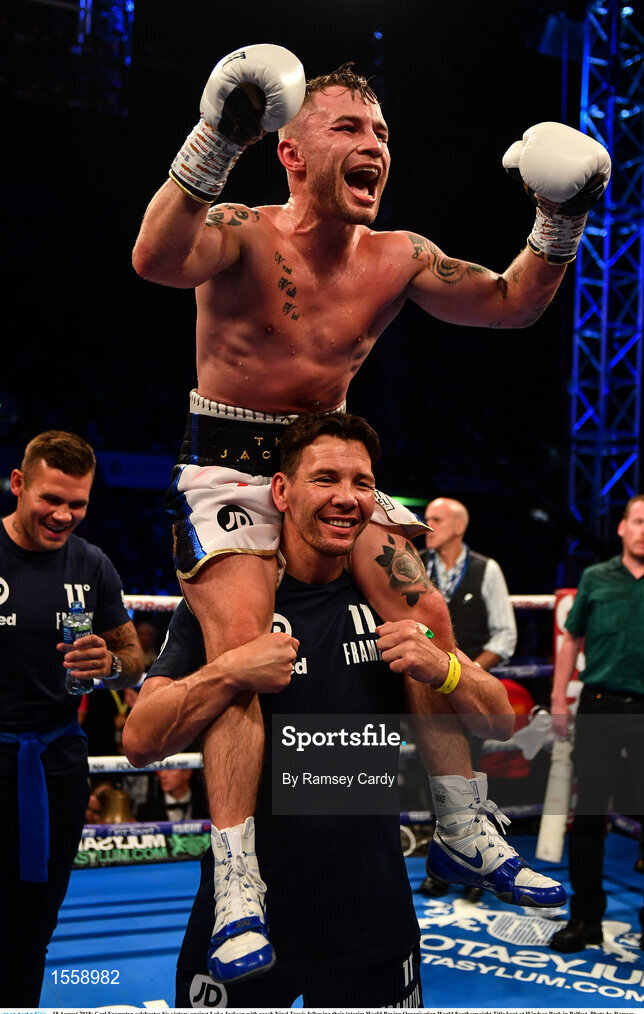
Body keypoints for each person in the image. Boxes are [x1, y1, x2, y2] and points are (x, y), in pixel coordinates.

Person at [131, 46, 604, 977]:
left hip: (329, 460)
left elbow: (510, 307)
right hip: (228, 466)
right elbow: (153, 259)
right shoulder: (242, 229)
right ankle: (237, 882)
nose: (374, 146)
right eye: (348, 127)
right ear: (291, 152)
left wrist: (559, 218)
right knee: (241, 658)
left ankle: (465, 823)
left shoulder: (400, 257)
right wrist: (216, 135)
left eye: (382, 133)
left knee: (423, 618)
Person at [124, 412, 518, 1005]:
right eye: (325, 479)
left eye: (362, 482)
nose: (346, 498)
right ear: (280, 491)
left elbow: (500, 721)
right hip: (248, 909)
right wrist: (229, 670)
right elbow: (139, 741)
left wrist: (447, 667)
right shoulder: (230, 606)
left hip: (372, 907)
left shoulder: (390, 603)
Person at [0, 430, 145, 1006]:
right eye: (50, 499)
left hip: (55, 761)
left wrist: (109, 662)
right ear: (18, 485)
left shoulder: (92, 564)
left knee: (34, 922)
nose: (63, 515)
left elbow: (134, 661)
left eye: (77, 503)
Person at [548, 494, 644, 953]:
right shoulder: (595, 577)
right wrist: (557, 701)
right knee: (588, 818)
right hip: (600, 706)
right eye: (639, 521)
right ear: (623, 528)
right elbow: (572, 640)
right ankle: (585, 919)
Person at [421, 497, 517, 671]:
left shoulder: (487, 569)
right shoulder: (412, 564)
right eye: (426, 519)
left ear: (460, 527)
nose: (427, 526)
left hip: (470, 679)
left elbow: (505, 634)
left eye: (437, 520)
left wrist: (473, 671)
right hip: (420, 675)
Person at [137, 768, 209, 822]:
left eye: (170, 769)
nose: (162, 775)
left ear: (188, 772)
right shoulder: (146, 811)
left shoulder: (207, 807)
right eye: (161, 769)